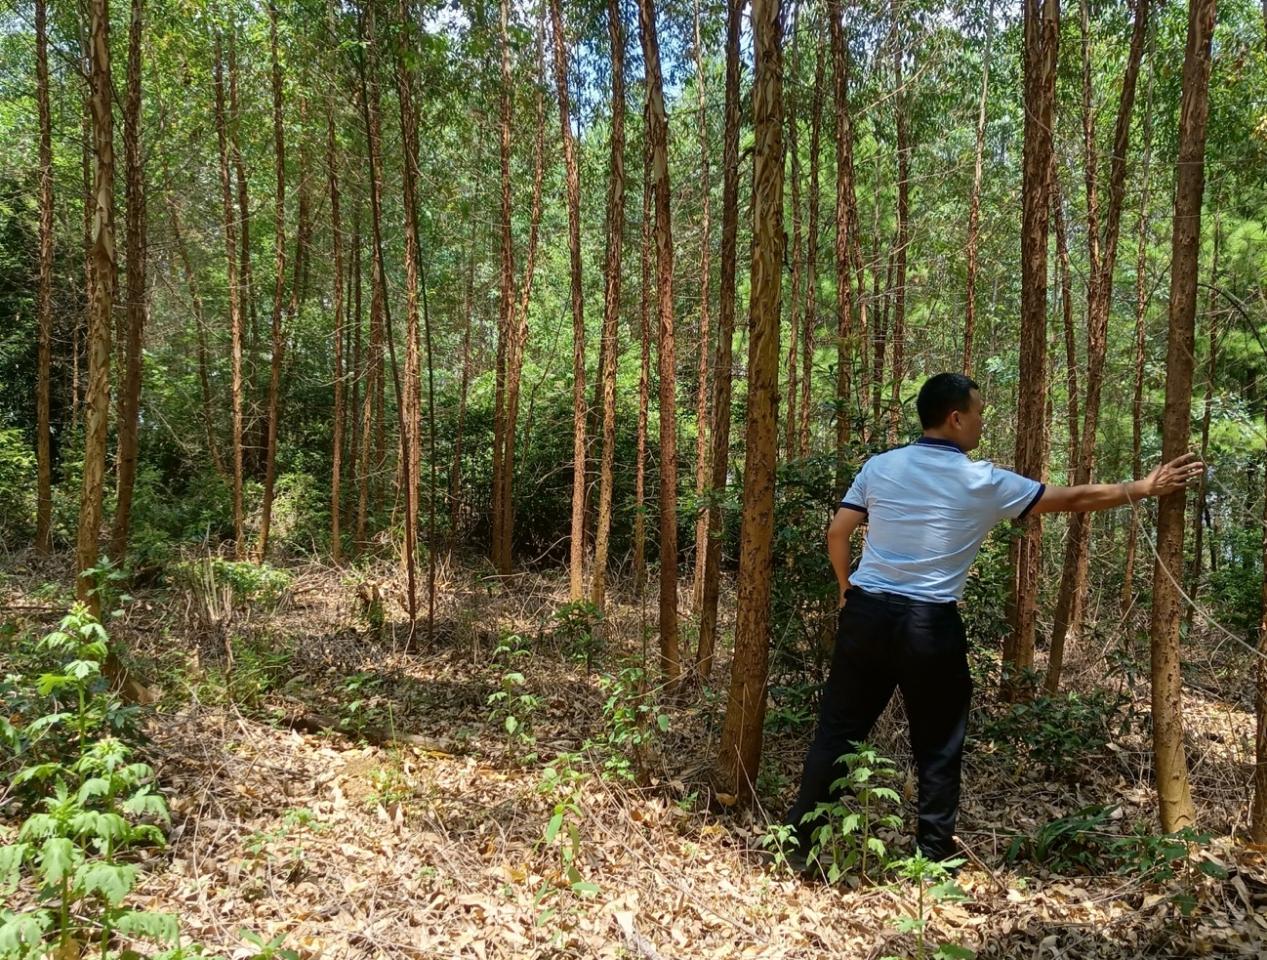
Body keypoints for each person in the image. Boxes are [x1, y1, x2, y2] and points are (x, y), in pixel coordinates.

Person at [781, 371, 1204, 868]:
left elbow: (838, 532)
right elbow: (1073, 499)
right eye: (979, 412)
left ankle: (798, 844)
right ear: (955, 417)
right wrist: (1144, 487)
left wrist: (844, 588)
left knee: (838, 732)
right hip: (929, 626)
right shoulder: (983, 481)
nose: (982, 422)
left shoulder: (880, 466)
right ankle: (931, 862)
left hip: (866, 614)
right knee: (938, 747)